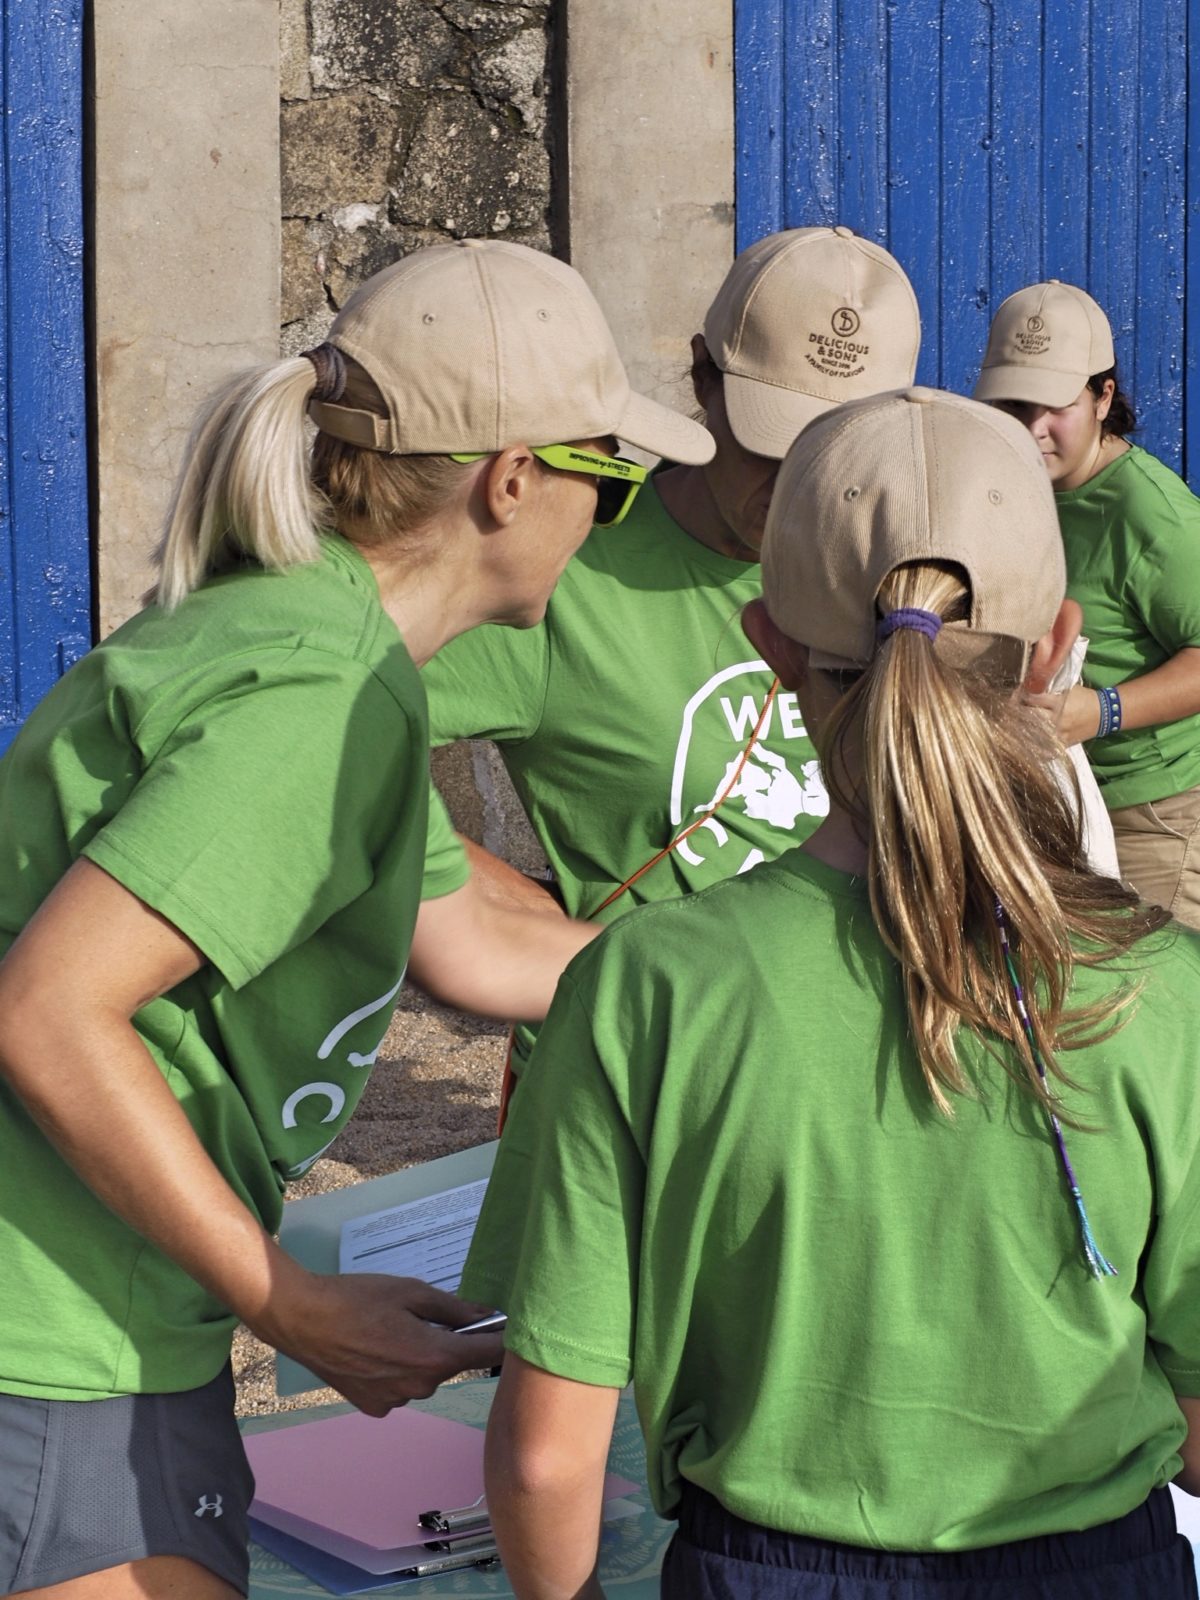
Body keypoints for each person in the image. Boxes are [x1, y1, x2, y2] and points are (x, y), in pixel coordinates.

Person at [0, 239, 713, 1600]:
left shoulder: (308, 636)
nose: (611, 525)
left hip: (103, 1305)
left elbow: (476, 940)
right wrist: (295, 1302)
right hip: (55, 1329)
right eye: (611, 486)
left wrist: (747, 972)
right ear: (515, 480)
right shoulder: (321, 697)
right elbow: (48, 1006)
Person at [463, 389, 1200, 1600]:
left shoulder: (644, 987)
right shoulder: (1161, 993)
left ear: (769, 644)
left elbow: (547, 1458)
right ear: (1061, 646)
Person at [420, 225, 922, 947]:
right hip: (641, 1045)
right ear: (702, 376)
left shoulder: (903, 570)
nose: (799, 489)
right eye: (772, 444)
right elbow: (327, 741)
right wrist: (509, 911)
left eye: (839, 454)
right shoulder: (561, 572)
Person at [975, 279, 1200, 927]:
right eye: (1013, 403)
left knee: (1153, 1007)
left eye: (1055, 405)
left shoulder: (1152, 516)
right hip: (1052, 806)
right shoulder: (1006, 481)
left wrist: (1100, 710)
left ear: (1104, 398)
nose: (1033, 427)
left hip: (1153, 821)